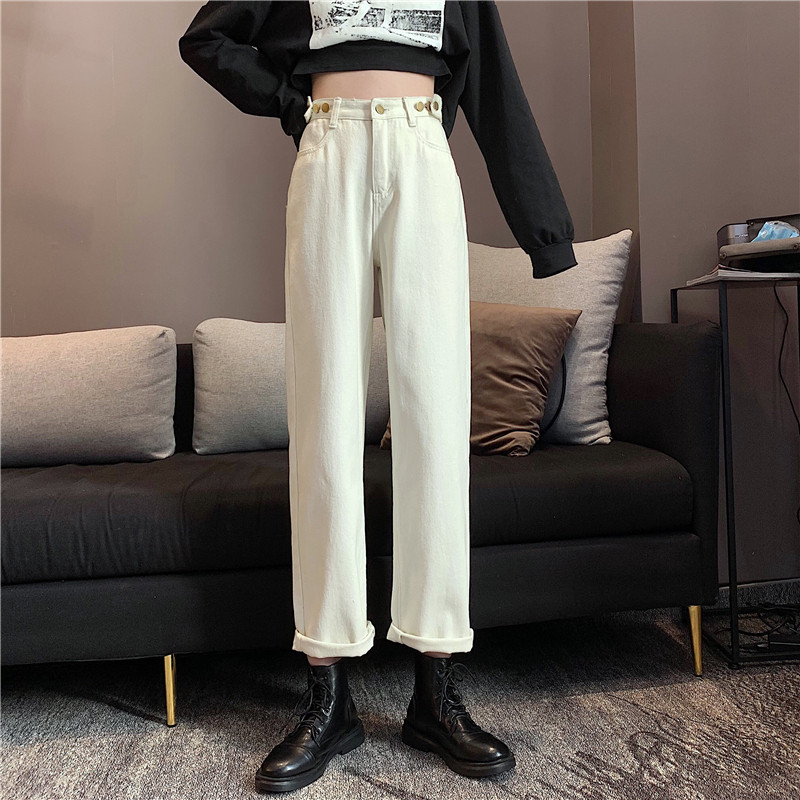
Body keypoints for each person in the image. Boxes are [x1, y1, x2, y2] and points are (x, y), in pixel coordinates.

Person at [179, 2, 577, 793]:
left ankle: (436, 691)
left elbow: (494, 85)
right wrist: (290, 103)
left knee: (436, 420)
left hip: (422, 148)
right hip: (328, 146)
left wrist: (546, 232)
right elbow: (206, 38)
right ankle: (328, 694)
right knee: (322, 420)